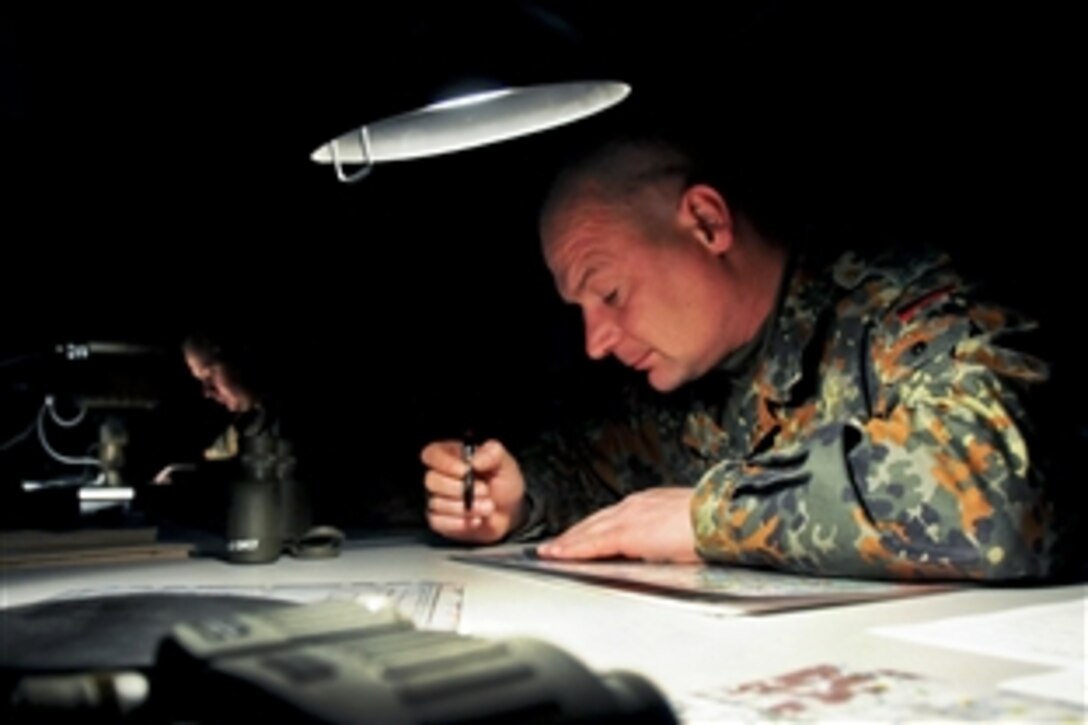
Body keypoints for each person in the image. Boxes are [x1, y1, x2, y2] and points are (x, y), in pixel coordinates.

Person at [421, 134, 1067, 581]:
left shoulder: (898, 304)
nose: (596, 340)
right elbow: (592, 468)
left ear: (706, 222)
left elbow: (996, 486)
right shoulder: (683, 383)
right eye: (580, 309)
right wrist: (513, 496)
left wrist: (707, 514)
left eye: (610, 292)